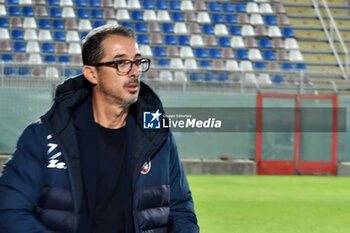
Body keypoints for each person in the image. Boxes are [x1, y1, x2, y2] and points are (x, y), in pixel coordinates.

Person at [0, 25, 199, 233]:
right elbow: (9, 212)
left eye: (137, 61)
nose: (135, 71)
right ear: (92, 74)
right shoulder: (43, 136)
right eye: (121, 63)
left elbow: (180, 209)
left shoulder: (158, 136)